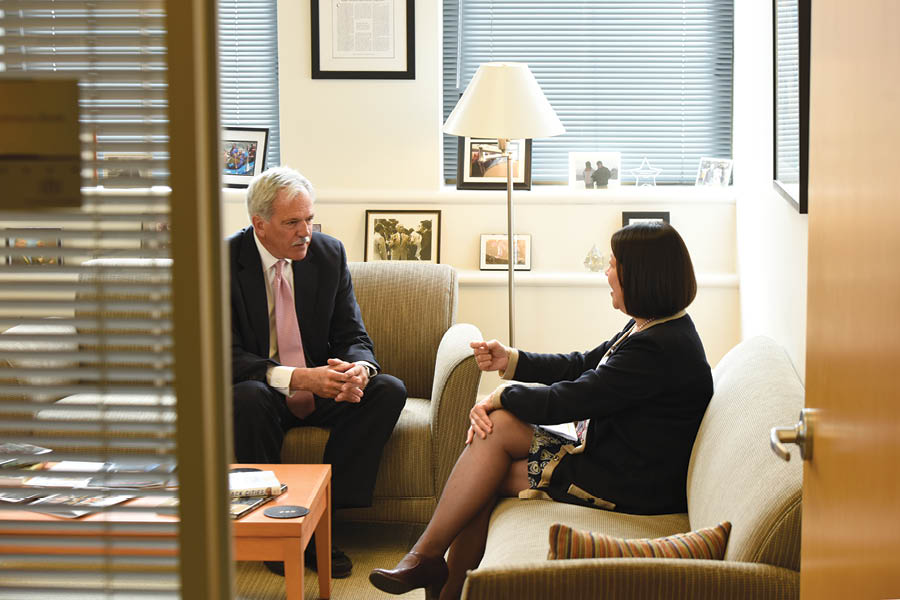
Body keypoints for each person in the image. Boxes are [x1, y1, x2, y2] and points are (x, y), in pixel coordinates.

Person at [369, 222, 712, 599]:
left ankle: (435, 569)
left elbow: (574, 397)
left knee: (489, 465)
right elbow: (583, 364)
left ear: (641, 276)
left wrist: (501, 395)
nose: (607, 272)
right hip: (614, 456)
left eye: (614, 265)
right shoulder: (652, 327)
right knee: (494, 431)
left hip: (630, 482)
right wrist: (512, 359)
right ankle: (433, 565)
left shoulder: (659, 348)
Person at [228, 166, 407, 579]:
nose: (305, 231)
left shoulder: (329, 254)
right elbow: (222, 354)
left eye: (308, 219)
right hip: (262, 390)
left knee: (387, 390)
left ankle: (324, 523)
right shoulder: (222, 262)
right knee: (246, 397)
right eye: (292, 222)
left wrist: (358, 369)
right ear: (259, 224)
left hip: (321, 387)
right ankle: (274, 529)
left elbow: (353, 334)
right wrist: (296, 377)